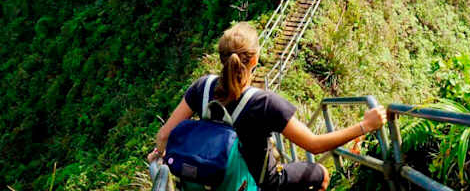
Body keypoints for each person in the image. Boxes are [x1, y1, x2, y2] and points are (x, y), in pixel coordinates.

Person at [148, 23, 387, 191]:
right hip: (262, 182)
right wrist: (365, 125)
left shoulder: (202, 87)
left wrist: (160, 157)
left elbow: (163, 136)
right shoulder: (264, 103)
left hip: (203, 180)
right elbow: (314, 144)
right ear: (254, 60)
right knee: (321, 175)